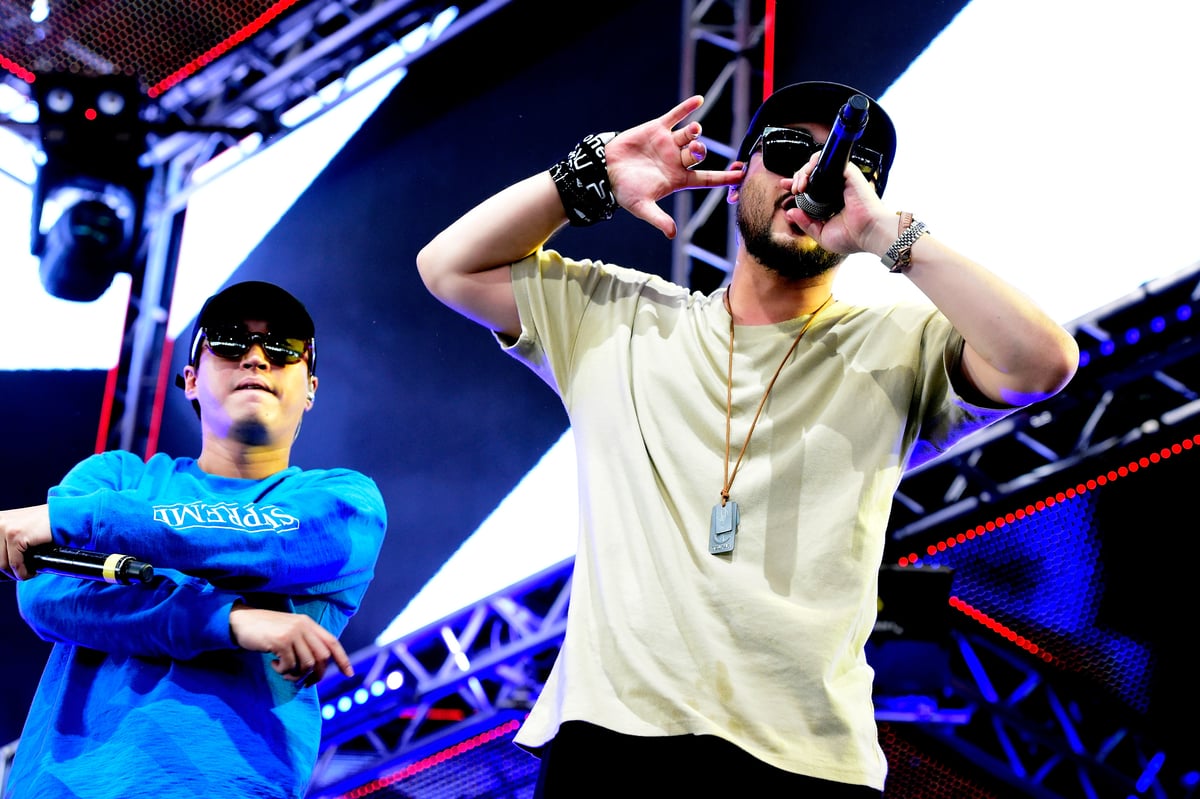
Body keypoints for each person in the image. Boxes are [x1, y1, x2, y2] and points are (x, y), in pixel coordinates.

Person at [415, 80, 1079, 797]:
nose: (808, 176)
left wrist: (893, 235)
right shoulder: (619, 318)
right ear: (737, 181)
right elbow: (448, 267)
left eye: (842, 164)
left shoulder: (900, 343)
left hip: (805, 759)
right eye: (789, 150)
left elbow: (1042, 364)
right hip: (613, 740)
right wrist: (588, 177)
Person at [0, 281, 388, 799]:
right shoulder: (113, 477)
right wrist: (231, 621)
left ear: (311, 387)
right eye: (229, 341)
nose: (255, 358)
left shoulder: (345, 502)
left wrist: (77, 519)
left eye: (283, 348)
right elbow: (47, 595)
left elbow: (254, 543)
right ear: (189, 379)